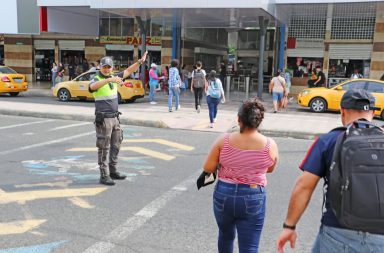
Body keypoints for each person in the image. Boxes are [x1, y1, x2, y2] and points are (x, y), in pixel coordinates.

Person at [276, 89, 384, 253]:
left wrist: (289, 226)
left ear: (342, 112)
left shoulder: (329, 140)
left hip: (338, 232)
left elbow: (304, 186)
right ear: (373, 112)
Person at [202, 98, 278, 252]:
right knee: (249, 246)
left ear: (238, 119)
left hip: (224, 193)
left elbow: (208, 168)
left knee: (225, 236)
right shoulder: (270, 144)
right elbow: (269, 169)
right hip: (253, 195)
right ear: (259, 120)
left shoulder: (223, 141)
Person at [89, 51, 148, 185]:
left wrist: (139, 62)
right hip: (103, 119)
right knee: (103, 146)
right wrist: (109, 79)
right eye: (104, 67)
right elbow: (92, 87)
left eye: (109, 67)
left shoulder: (114, 78)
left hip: (115, 118)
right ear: (100, 67)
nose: (107, 69)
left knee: (116, 144)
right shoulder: (97, 79)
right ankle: (104, 175)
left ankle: (113, 170)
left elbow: (128, 70)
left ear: (112, 68)